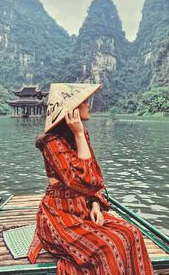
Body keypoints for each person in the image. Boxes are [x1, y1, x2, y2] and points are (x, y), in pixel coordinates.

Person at [28, 83, 154, 275]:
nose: (88, 105)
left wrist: (95, 204)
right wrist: (78, 134)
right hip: (58, 216)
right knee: (108, 248)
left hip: (82, 209)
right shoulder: (51, 142)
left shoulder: (82, 136)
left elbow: (95, 179)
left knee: (133, 233)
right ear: (72, 111)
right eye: (84, 101)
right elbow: (82, 182)